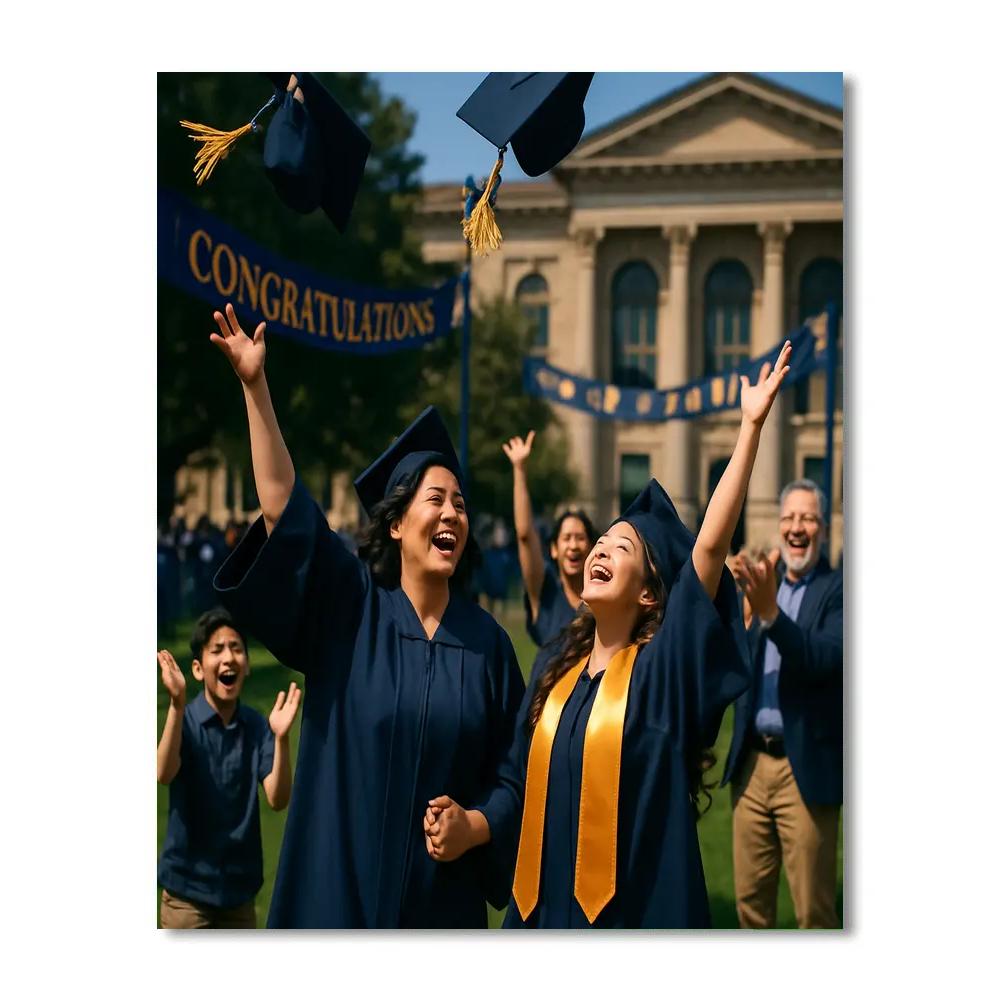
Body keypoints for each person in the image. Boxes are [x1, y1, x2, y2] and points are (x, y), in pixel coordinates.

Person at [423, 343, 792, 928]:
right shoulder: (555, 675)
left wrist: (749, 427)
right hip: (543, 923)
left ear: (648, 594)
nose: (598, 548)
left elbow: (708, 554)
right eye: (602, 541)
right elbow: (516, 781)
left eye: (621, 548)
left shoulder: (661, 675)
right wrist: (472, 824)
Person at [209, 303, 525, 928]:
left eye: (460, 504)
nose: (452, 514)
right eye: (435, 499)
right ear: (398, 522)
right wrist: (255, 387)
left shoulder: (488, 645)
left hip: (439, 911)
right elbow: (285, 514)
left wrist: (476, 826)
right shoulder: (351, 608)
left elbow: (517, 774)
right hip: (339, 897)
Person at [722, 479, 844, 929]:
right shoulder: (761, 589)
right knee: (750, 910)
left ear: (824, 530)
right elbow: (731, 667)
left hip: (804, 768)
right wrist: (738, 605)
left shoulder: (839, 590)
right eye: (789, 517)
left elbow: (821, 658)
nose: (797, 527)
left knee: (815, 912)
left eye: (808, 518)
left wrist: (770, 613)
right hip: (752, 768)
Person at [156, 607, 300, 929]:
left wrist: (281, 739)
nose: (229, 657)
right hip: (187, 899)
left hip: (240, 898)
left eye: (236, 648)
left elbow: (277, 799)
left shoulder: (256, 726)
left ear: (246, 665)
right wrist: (176, 705)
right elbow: (163, 772)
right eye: (217, 649)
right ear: (197, 668)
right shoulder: (187, 721)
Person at [502, 430, 598, 683]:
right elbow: (525, 535)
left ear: (591, 548)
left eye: (580, 538)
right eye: (566, 538)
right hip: (542, 714)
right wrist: (520, 470)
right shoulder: (545, 594)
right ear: (554, 550)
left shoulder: (602, 603)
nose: (573, 546)